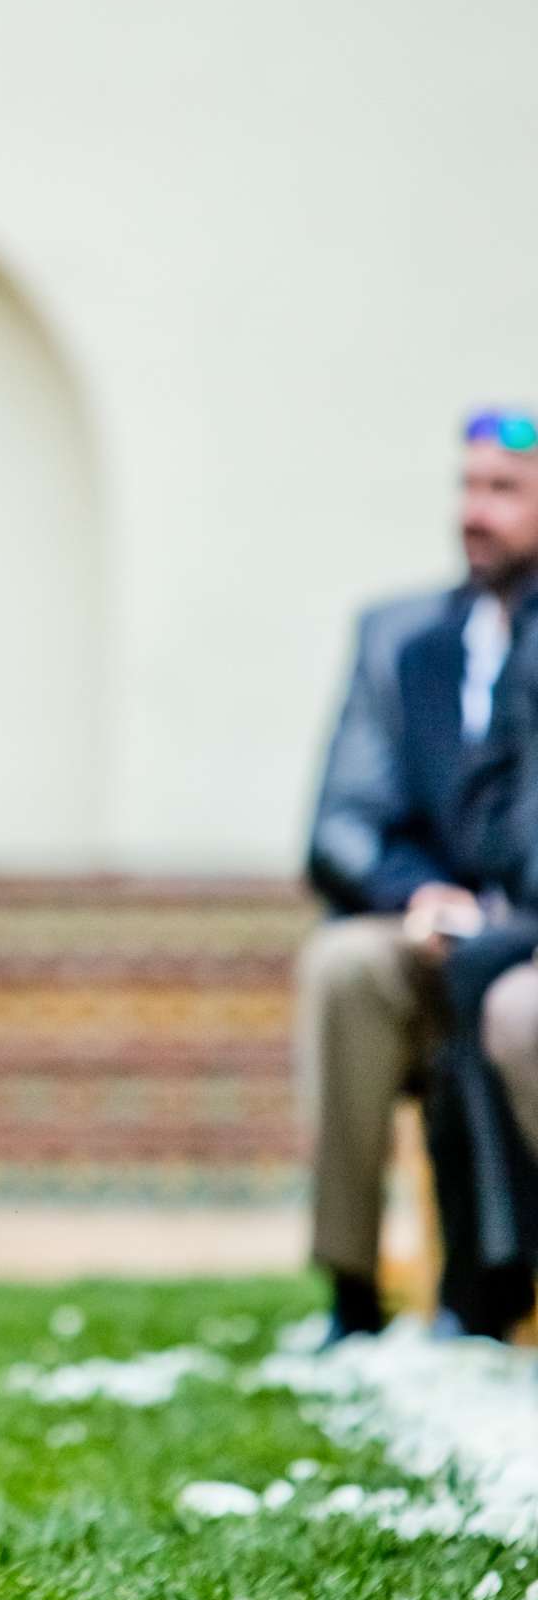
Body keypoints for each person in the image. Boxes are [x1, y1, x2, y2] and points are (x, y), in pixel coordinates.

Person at [300, 408, 538, 1340]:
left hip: (519, 929)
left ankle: (491, 1282)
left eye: (505, 491)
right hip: (421, 916)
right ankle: (351, 1293)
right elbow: (341, 822)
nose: (475, 511)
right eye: (468, 486)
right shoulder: (402, 639)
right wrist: (418, 896)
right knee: (343, 968)